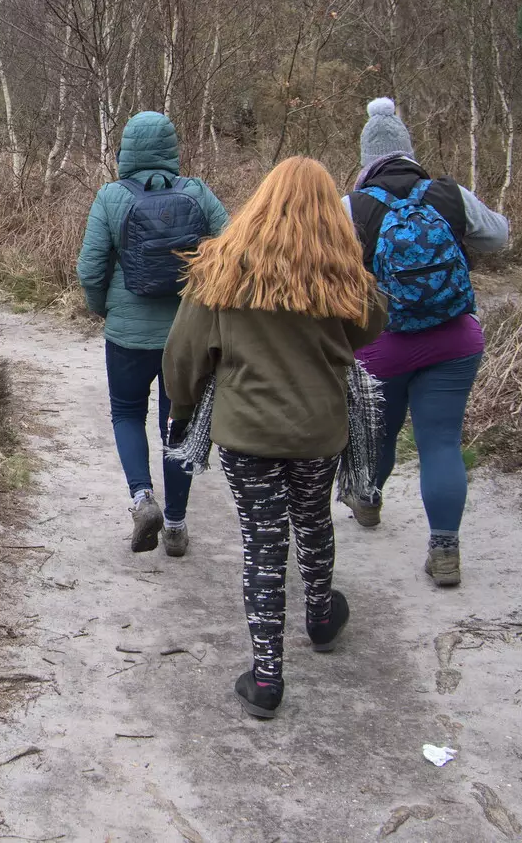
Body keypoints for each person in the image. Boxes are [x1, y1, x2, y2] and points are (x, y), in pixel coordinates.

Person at [163, 157, 387, 719]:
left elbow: (184, 356)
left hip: (247, 433)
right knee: (313, 517)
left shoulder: (223, 269)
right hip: (319, 430)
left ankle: (266, 679)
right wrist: (344, 270)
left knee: (263, 540)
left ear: (260, 200)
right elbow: (372, 326)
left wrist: (185, 409)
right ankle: (320, 616)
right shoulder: (338, 270)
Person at [341, 98, 510, 588]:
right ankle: (444, 550)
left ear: (366, 158)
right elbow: (499, 237)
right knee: (440, 443)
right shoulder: (449, 194)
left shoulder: (352, 206)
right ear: (409, 151)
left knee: (381, 433)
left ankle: (368, 498)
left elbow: (318, 264)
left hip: (382, 345)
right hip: (455, 339)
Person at [77, 111, 229, 556]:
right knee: (176, 424)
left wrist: (103, 308)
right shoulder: (198, 193)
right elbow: (234, 253)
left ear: (126, 150)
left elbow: (90, 268)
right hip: (185, 337)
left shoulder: (111, 197)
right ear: (171, 147)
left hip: (126, 334)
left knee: (126, 413)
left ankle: (142, 498)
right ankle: (177, 526)